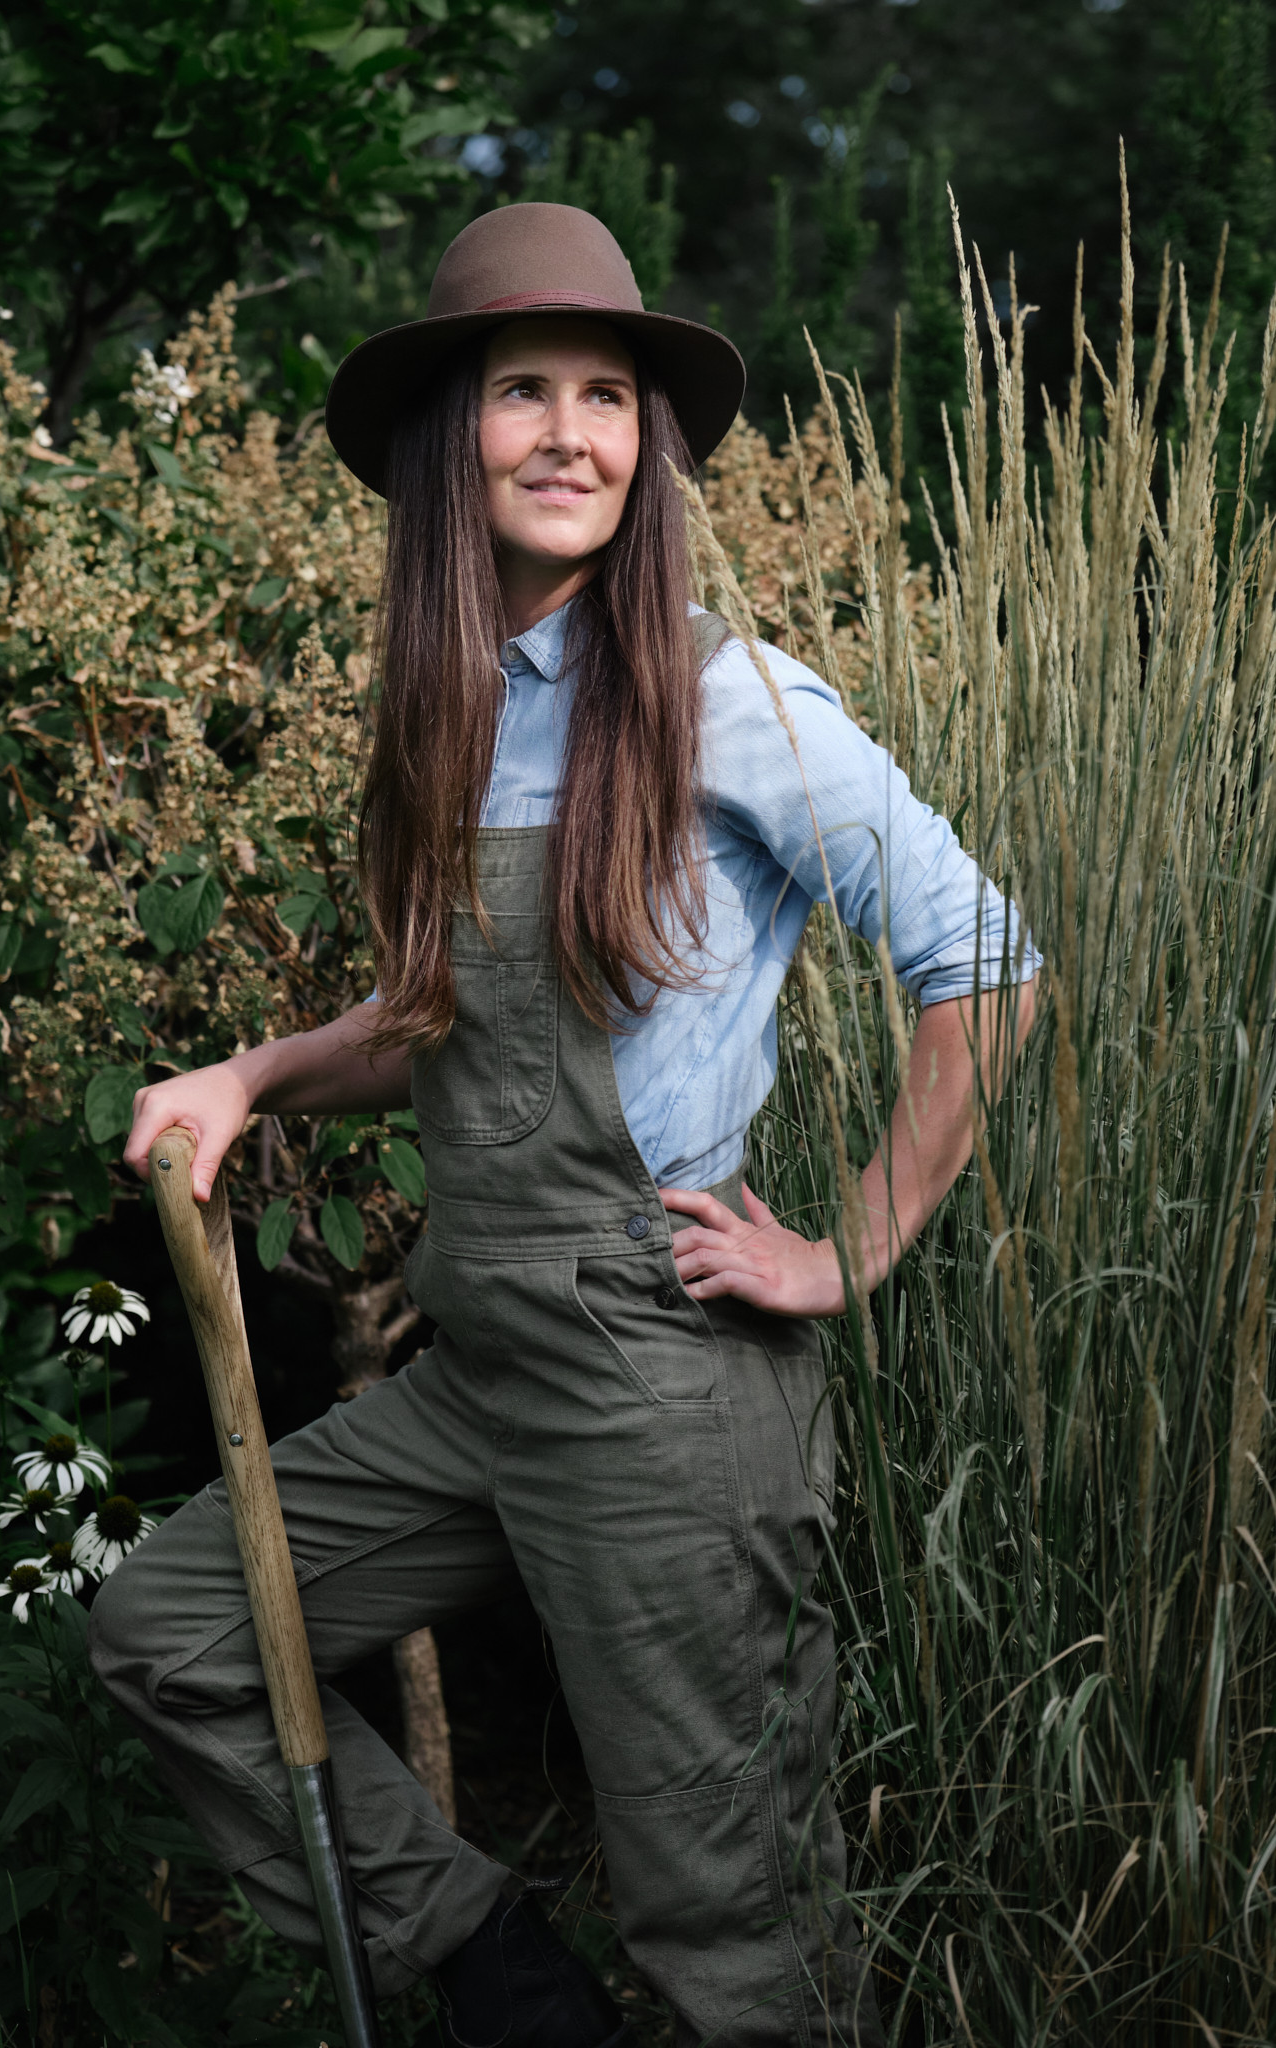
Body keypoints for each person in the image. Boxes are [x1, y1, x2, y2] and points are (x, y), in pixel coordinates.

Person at [92, 203, 1038, 2048]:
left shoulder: (727, 703)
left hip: (661, 1380)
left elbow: (983, 961)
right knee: (173, 1639)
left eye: (605, 398)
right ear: (455, 439)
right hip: (485, 1362)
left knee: (730, 1938)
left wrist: (849, 1243)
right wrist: (259, 1073)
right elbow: (448, 1021)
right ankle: (498, 1975)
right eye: (522, 389)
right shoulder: (455, 714)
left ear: (647, 447)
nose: (569, 433)